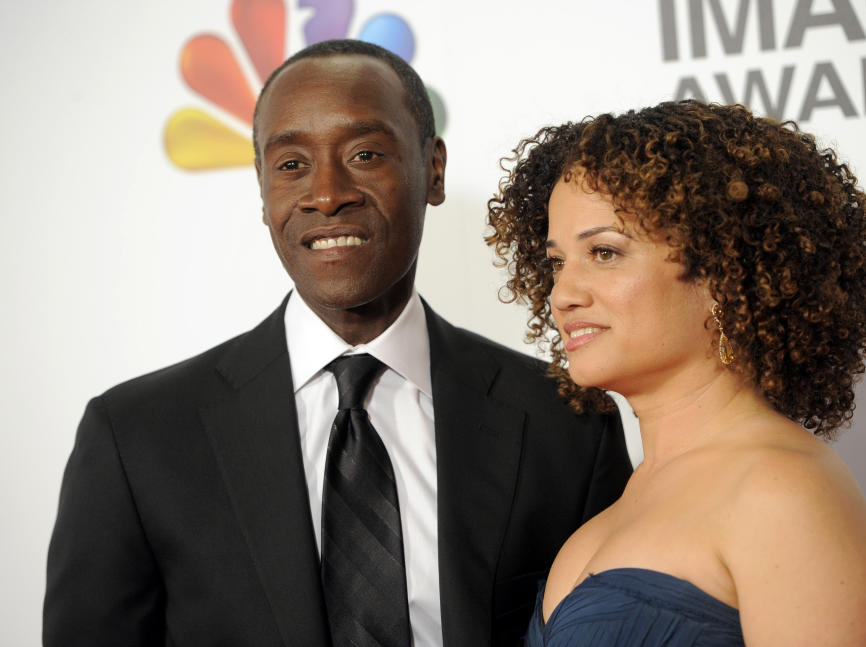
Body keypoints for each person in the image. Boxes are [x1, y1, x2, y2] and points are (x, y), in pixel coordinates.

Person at [43, 40, 632, 647]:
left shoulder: (566, 421)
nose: (327, 194)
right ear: (263, 190)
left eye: (365, 153)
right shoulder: (137, 436)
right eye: (292, 165)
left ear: (433, 170)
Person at [486, 100, 866, 646]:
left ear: (724, 272)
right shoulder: (626, 496)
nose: (563, 294)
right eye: (558, 262)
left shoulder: (782, 493)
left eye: (605, 253)